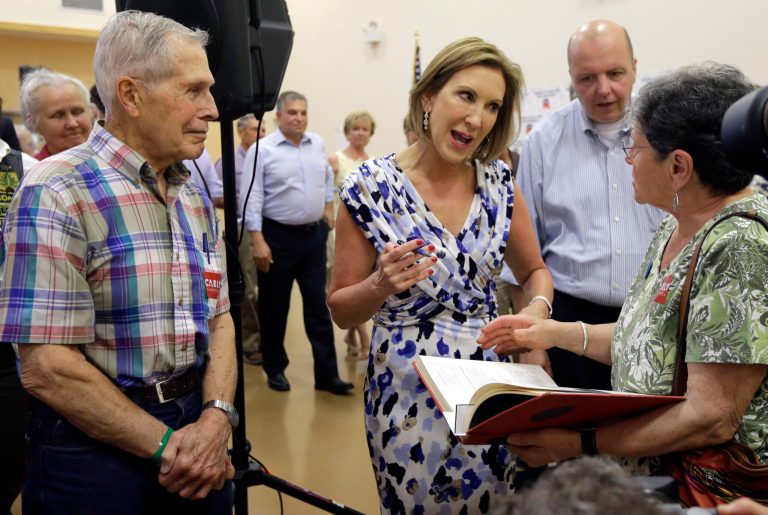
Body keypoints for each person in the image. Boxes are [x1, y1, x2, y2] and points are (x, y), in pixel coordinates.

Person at [479, 63, 768, 490]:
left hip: (706, 491)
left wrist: (578, 444)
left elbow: (710, 417)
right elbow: (649, 341)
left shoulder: (739, 244)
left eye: (635, 149)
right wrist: (552, 334)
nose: (628, 161)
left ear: (679, 168)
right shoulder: (678, 223)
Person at [0, 11, 237, 514]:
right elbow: (46, 365)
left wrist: (216, 418)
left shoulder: (190, 189)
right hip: (92, 451)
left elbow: (219, 319)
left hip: (199, 428)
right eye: (194, 90)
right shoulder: (56, 190)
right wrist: (169, 446)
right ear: (130, 96)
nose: (213, 109)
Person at [327, 37, 554, 514]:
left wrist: (535, 314)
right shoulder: (369, 188)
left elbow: (533, 271)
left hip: (489, 386)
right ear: (429, 96)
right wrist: (380, 285)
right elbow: (342, 309)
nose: (477, 118)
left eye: (492, 106)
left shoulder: (499, 185)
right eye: (466, 96)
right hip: (406, 388)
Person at [515, 20, 665, 390]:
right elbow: (522, 260)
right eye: (587, 78)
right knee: (571, 444)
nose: (604, 90)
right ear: (570, 77)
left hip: (654, 318)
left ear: (634, 66)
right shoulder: (543, 143)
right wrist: (532, 347)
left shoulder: (668, 136)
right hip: (565, 322)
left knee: (650, 442)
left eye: (615, 73)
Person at [240, 90, 353, 395]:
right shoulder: (262, 150)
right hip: (276, 238)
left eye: (303, 112)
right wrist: (257, 240)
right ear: (278, 116)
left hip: (313, 238)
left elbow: (326, 181)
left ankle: (327, 376)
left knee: (318, 307)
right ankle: (275, 367)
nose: (299, 118)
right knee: (275, 308)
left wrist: (328, 209)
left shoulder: (316, 144)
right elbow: (252, 197)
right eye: (292, 113)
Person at [216, 113, 265, 365]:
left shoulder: (267, 155)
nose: (261, 132)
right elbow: (215, 195)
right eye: (256, 128)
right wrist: (240, 199)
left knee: (268, 287)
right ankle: (249, 342)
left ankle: (268, 340)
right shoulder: (228, 161)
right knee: (248, 286)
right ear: (240, 132)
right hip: (242, 228)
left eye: (263, 128)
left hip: (269, 227)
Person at [327, 110, 375, 360]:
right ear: (347, 132)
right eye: (355, 128)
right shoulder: (335, 160)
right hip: (340, 231)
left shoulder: (376, 163)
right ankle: (364, 338)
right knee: (348, 285)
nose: (360, 133)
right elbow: (326, 194)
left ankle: (351, 335)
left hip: (367, 234)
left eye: (364, 129)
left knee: (362, 286)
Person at [20, 68, 92, 160]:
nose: (72, 123)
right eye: (59, 115)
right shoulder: (30, 171)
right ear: (33, 122)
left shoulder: (112, 163)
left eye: (77, 112)